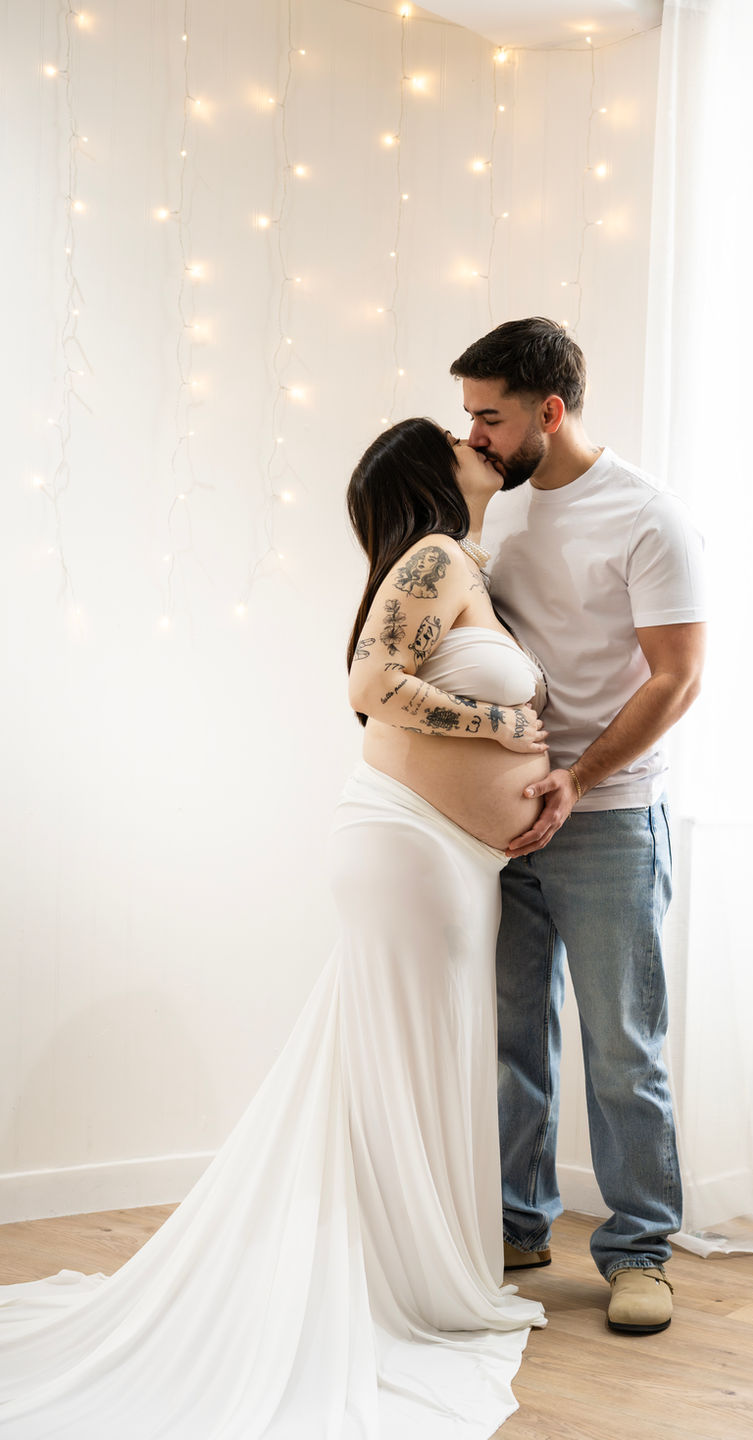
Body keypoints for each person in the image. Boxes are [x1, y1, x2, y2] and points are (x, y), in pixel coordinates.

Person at [0, 418, 549, 1439]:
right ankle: (403, 1281)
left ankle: (410, 1265)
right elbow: (371, 687)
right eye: (454, 435)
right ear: (427, 473)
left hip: (449, 859)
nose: (475, 438)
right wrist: (500, 726)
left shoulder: (463, 566)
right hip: (410, 844)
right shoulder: (434, 554)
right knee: (404, 1053)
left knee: (407, 1055)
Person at [449, 317, 707, 1336]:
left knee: (621, 1050)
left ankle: (639, 1254)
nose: (472, 435)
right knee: (511, 1038)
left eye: (490, 417)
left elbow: (678, 676)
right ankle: (517, 1225)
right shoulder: (492, 507)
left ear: (549, 412)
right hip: (503, 818)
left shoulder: (648, 516)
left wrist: (578, 777)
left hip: (609, 819)